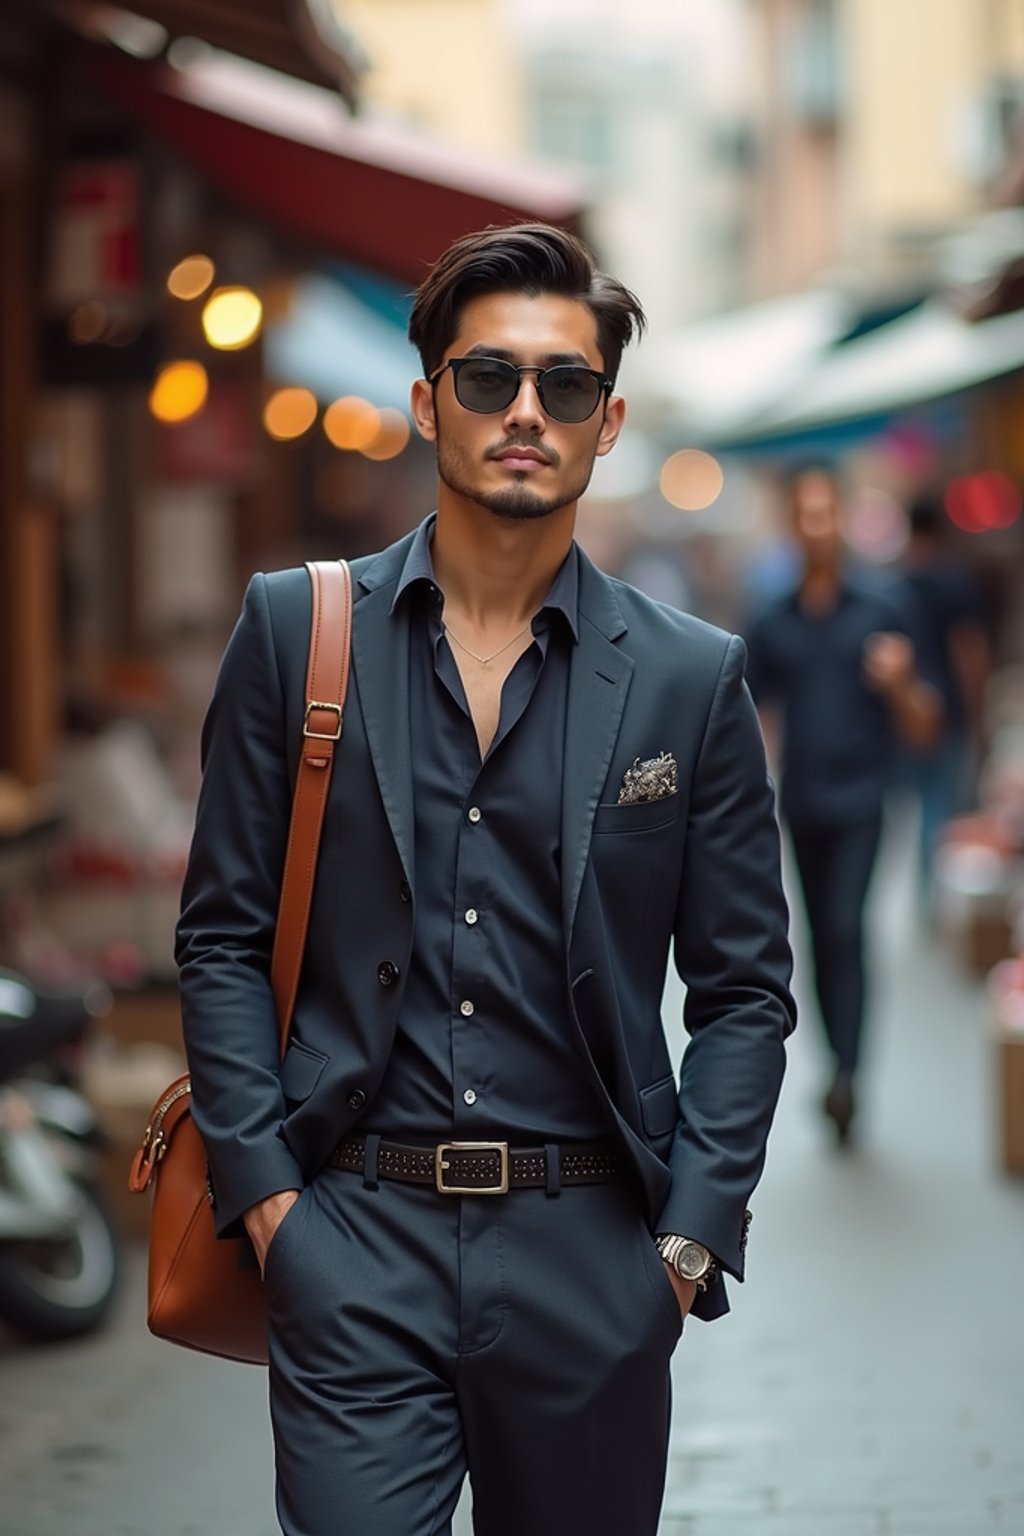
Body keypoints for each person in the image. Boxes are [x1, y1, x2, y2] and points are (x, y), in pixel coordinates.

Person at [176, 223, 796, 1536]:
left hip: (593, 1257)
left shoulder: (691, 679)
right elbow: (222, 937)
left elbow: (745, 991)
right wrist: (274, 1207)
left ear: (608, 419)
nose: (526, 412)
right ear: (425, 402)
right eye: (486, 379)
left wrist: (683, 1247)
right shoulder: (296, 634)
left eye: (563, 385)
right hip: (356, 1236)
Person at [745, 465, 942, 1147]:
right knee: (820, 940)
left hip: (864, 795)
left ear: (844, 520)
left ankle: (852, 1075)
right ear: (792, 525)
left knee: (845, 925)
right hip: (802, 801)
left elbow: (926, 724)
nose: (818, 527)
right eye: (807, 514)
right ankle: (836, 1066)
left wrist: (902, 681)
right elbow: (747, 715)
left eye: (829, 513)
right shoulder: (773, 619)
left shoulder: (884, 609)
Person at [900, 492, 991, 895]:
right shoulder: (953, 582)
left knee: (922, 806)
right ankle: (935, 895)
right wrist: (977, 714)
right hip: (948, 711)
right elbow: (967, 652)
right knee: (941, 806)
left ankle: (928, 891)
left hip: (908, 715)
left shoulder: (896, 585)